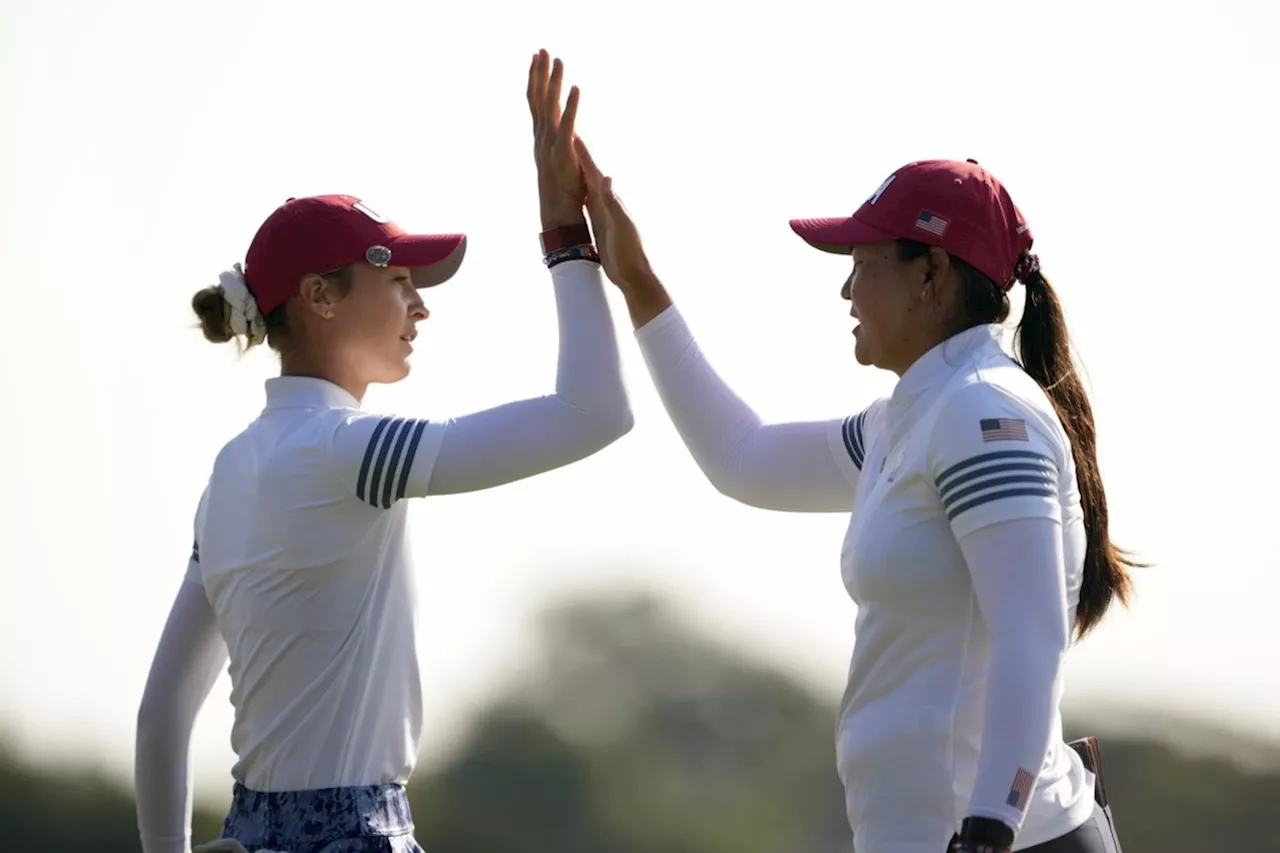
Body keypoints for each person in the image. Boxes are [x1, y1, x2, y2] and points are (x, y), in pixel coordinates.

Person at [133, 51, 632, 853]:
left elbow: (161, 715)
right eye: (397, 279)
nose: (420, 306)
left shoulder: (229, 470)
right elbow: (593, 412)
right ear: (320, 297)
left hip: (246, 832)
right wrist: (566, 239)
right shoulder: (350, 452)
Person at [573, 141, 1134, 853]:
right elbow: (743, 458)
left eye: (863, 265)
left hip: (1007, 842)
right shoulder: (915, 414)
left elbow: (1032, 635)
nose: (846, 291)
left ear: (929, 274)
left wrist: (990, 827)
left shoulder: (982, 411)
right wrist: (638, 282)